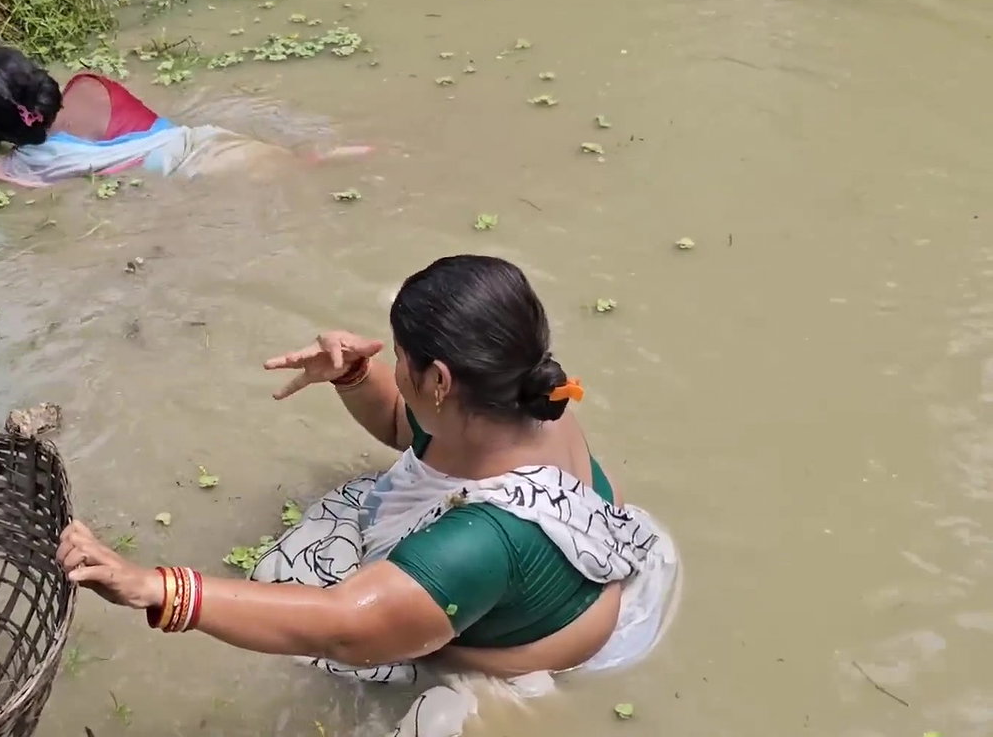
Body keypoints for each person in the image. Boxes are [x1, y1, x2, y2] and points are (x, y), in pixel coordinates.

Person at [56, 254, 680, 737]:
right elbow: (407, 428)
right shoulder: (528, 396)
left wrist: (154, 587)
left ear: (439, 380)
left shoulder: (477, 541)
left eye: (399, 359)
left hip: (522, 650)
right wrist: (355, 376)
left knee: (312, 608)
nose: (396, 370)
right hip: (563, 575)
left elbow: (342, 629)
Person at [0, 36, 371, 187]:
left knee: (298, 175)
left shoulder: (21, 166)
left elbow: (11, 173)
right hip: (209, 140)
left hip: (197, 176)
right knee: (301, 167)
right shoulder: (92, 88)